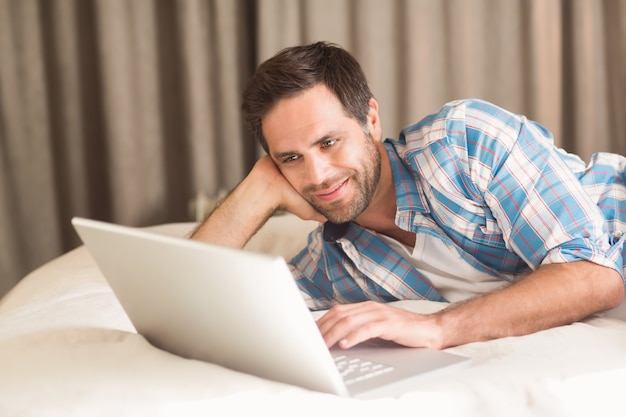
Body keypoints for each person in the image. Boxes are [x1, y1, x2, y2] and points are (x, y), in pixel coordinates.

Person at [191, 41, 626, 350]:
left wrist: (436, 328)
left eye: (328, 142)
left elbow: (594, 276)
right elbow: (192, 299)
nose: (318, 175)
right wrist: (256, 192)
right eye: (290, 158)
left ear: (371, 120)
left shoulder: (463, 141)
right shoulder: (336, 264)